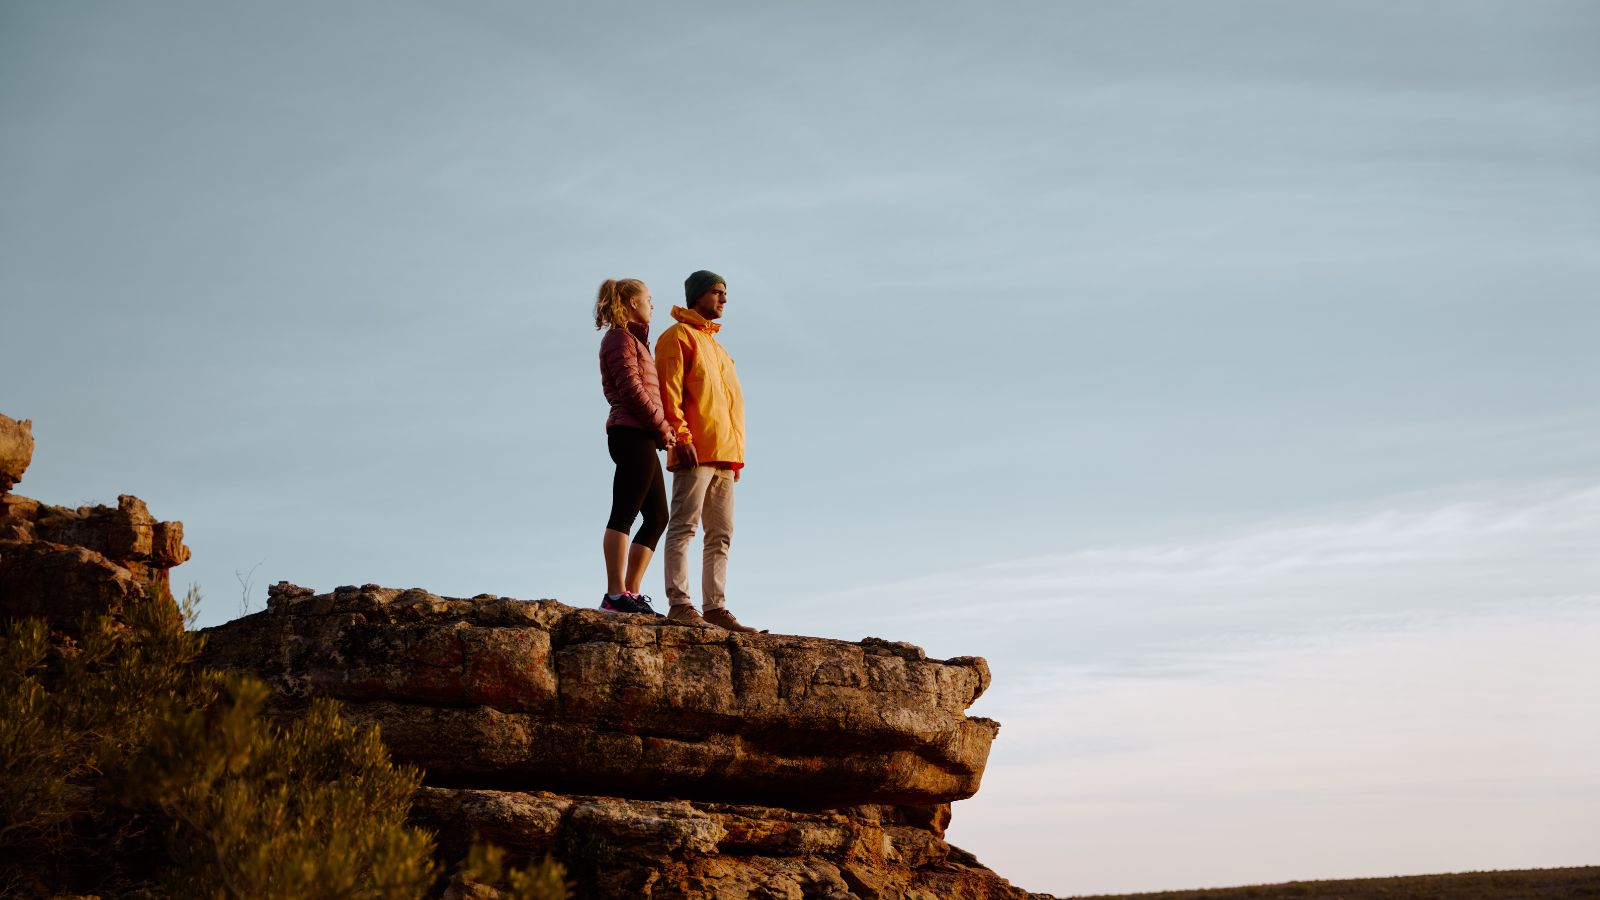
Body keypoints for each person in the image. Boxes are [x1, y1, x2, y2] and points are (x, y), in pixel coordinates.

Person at [655, 270, 760, 632]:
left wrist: (736, 455)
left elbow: (731, 406)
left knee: (721, 534)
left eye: (725, 293)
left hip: (725, 454)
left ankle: (715, 608)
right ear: (697, 295)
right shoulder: (676, 337)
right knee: (684, 526)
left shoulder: (718, 348)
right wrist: (680, 438)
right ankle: (680, 604)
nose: (724, 299)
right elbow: (669, 393)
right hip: (695, 449)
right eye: (717, 292)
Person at [594, 278, 673, 616]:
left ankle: (631, 593)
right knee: (624, 511)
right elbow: (631, 389)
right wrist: (662, 426)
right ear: (630, 303)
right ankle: (614, 596)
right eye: (648, 299)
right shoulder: (618, 339)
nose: (652, 305)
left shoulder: (636, 342)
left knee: (657, 516)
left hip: (643, 433)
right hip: (629, 432)